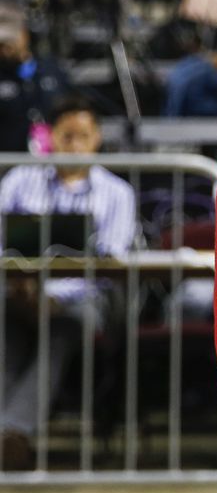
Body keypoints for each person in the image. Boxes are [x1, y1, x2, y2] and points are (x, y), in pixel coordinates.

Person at [0, 95, 137, 470]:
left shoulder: (117, 193)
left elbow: (109, 262)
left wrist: (54, 298)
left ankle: (12, 431)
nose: (74, 144)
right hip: (16, 294)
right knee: (5, 333)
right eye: (67, 135)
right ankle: (7, 433)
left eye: (83, 136)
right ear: (51, 137)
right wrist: (22, 288)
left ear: (96, 139)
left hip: (82, 301)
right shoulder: (18, 180)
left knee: (62, 330)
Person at [0, 0, 70, 154]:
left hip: (51, 166)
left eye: (9, 40)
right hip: (6, 168)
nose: (5, 48)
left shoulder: (53, 71)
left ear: (24, 34)